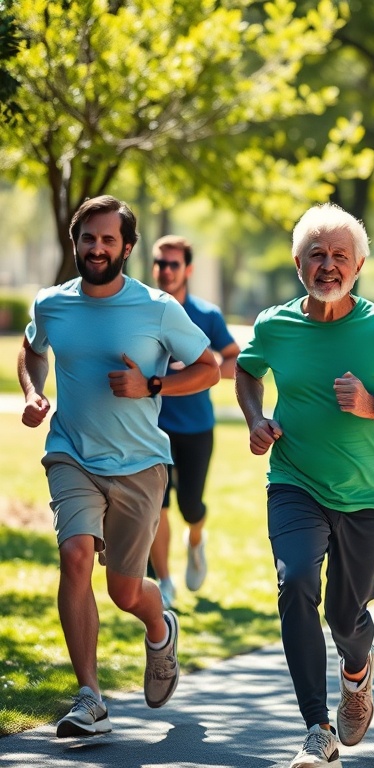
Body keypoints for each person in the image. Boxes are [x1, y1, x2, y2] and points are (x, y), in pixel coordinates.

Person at [234, 203, 374, 768]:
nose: (328, 266)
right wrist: (256, 419)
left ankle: (357, 672)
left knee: (345, 618)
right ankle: (317, 728)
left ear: (358, 266)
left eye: (339, 256)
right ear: (298, 263)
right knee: (295, 583)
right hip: (294, 482)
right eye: (317, 255)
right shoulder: (274, 325)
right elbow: (247, 370)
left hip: (368, 496)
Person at [18, 195, 220, 737]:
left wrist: (152, 384)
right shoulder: (52, 303)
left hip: (139, 464)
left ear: (127, 247)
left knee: (125, 591)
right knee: (75, 556)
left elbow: (209, 368)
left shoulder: (157, 308)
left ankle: (160, 628)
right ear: (75, 242)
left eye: (109, 239)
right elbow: (33, 349)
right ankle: (90, 698)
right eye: (89, 237)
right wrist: (34, 392)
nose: (97, 248)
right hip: (71, 453)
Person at [149, 235, 240, 609]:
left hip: (196, 427)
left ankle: (196, 540)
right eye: (160, 263)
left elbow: (235, 361)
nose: (166, 270)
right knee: (156, 506)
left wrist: (203, 366)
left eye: (174, 264)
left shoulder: (206, 315)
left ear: (188, 270)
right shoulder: (142, 308)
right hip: (152, 427)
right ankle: (164, 583)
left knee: (190, 505)